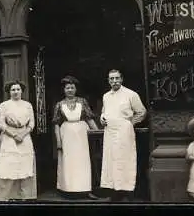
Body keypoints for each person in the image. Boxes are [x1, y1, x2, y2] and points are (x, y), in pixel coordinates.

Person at [99, 69, 146, 202]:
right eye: (111, 79)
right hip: (109, 131)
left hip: (124, 131)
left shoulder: (131, 94)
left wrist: (129, 123)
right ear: (108, 81)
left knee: (125, 159)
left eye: (117, 78)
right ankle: (114, 191)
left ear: (122, 79)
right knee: (111, 160)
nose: (114, 81)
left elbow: (141, 112)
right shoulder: (106, 96)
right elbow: (104, 111)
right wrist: (102, 118)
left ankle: (127, 191)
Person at [53, 76, 99, 200]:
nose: (70, 90)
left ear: (76, 89)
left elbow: (89, 118)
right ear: (64, 90)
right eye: (67, 88)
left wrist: (98, 132)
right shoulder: (59, 105)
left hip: (81, 134)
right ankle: (68, 189)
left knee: (83, 161)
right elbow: (56, 124)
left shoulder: (82, 101)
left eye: (72, 87)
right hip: (66, 134)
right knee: (69, 162)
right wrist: (59, 141)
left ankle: (86, 189)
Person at [0, 81, 37, 201]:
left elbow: (31, 123)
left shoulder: (27, 105)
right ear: (9, 92)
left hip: (24, 137)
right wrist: (14, 135)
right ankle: (6, 196)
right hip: (9, 137)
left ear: (22, 91)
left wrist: (23, 134)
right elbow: (1, 123)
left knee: (24, 164)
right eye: (13, 90)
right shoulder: (4, 105)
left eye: (18, 89)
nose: (16, 92)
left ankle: (23, 195)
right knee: (9, 164)